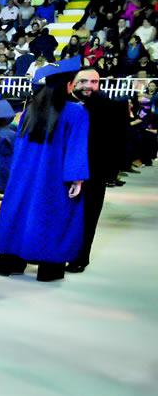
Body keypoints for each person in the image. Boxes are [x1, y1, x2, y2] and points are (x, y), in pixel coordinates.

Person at [0, 58, 90, 282]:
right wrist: (77, 178)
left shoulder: (30, 111)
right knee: (53, 218)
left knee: (20, 214)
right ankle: (49, 270)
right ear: (69, 85)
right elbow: (76, 148)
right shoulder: (76, 112)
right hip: (54, 178)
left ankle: (10, 262)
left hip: (25, 175)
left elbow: (20, 147)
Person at [68, 67, 118, 273]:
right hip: (64, 170)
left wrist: (109, 174)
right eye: (84, 81)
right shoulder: (63, 105)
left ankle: (80, 257)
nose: (89, 86)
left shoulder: (110, 107)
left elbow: (117, 143)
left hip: (94, 173)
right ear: (73, 83)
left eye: (94, 82)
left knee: (88, 217)